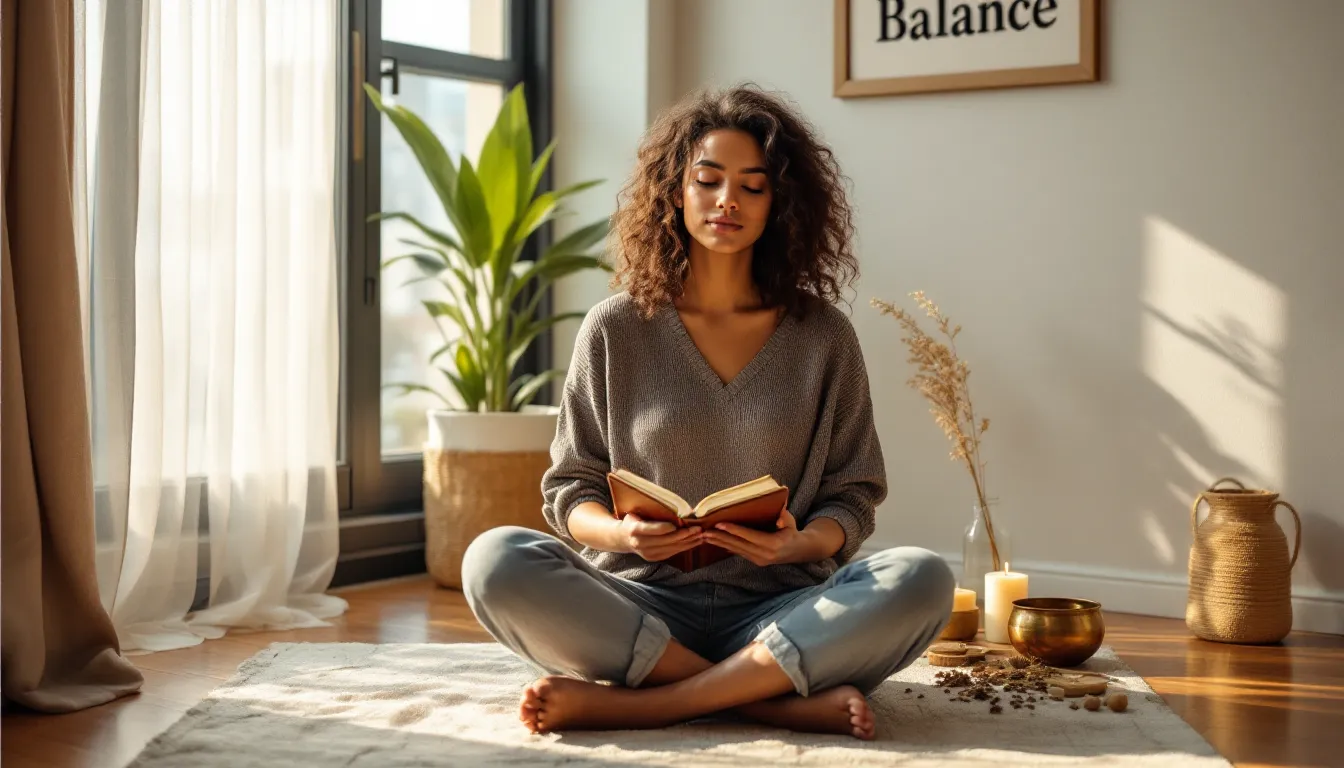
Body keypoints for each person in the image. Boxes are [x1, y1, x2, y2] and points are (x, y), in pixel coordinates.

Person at [461, 84, 954, 740]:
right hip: (638, 607)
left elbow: (852, 495)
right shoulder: (615, 328)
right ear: (675, 189)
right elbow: (570, 489)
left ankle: (649, 703)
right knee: (494, 559)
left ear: (780, 204)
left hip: (787, 606)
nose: (729, 200)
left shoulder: (823, 336)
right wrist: (621, 535)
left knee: (919, 577)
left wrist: (799, 543)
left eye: (754, 186)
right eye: (709, 179)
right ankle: (764, 697)